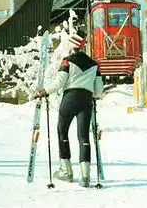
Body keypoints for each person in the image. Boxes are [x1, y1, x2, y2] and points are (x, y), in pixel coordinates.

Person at [38, 31, 104, 187]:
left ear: (72, 47)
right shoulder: (95, 65)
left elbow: (60, 82)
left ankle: (66, 171)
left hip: (70, 99)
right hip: (86, 100)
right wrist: (92, 93)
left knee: (62, 131)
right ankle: (85, 176)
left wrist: (45, 91)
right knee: (83, 137)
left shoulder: (67, 61)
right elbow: (99, 90)